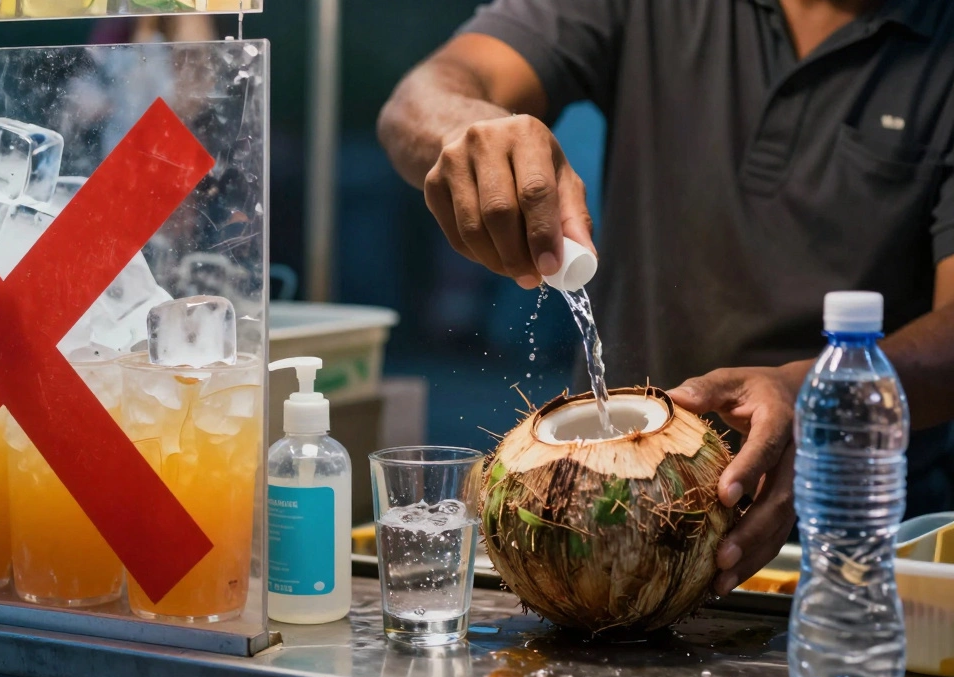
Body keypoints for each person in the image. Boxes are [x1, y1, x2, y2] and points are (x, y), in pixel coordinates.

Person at [378, 0, 954, 595]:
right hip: (595, 543)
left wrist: (815, 393)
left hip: (871, 556)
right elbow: (424, 95)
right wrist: (470, 136)